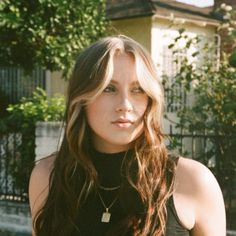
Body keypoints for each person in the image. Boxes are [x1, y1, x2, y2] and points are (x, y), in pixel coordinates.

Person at [29, 35, 226, 236]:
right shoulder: (46, 177)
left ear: (151, 98)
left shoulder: (192, 181)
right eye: (108, 88)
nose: (125, 105)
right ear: (82, 99)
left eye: (138, 89)